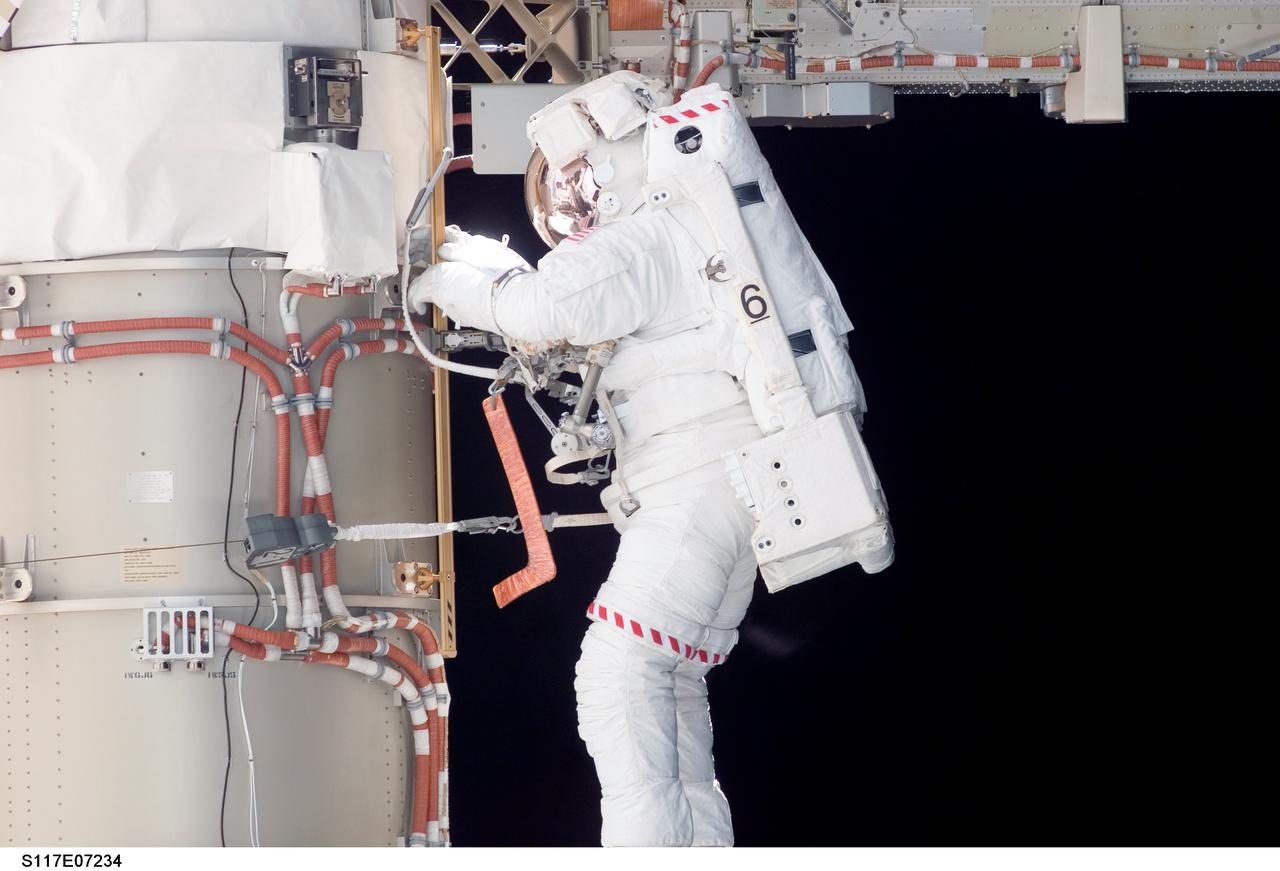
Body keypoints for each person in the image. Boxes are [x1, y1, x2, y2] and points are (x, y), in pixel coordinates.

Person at [410, 72, 891, 846]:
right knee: (667, 676)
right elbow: (577, 313)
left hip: (706, 485)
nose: (569, 203)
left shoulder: (653, 232)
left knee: (618, 671)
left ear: (612, 154)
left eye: (573, 179)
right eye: (557, 190)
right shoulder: (683, 227)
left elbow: (540, 308)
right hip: (732, 484)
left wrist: (442, 278)